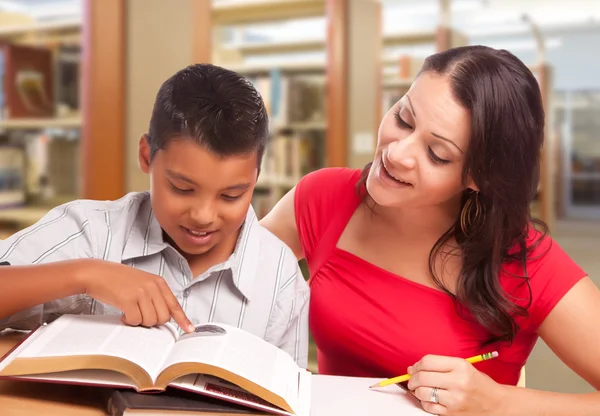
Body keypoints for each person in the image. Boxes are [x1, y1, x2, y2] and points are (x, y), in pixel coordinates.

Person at [260, 45, 600, 414]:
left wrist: (497, 402)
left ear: (478, 177)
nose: (397, 154)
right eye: (404, 119)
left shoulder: (527, 263)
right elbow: (227, 274)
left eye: (437, 154)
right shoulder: (322, 198)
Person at [0, 64, 309, 368]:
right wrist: (85, 275)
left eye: (231, 196)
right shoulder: (90, 231)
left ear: (255, 178)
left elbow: (287, 394)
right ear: (147, 156)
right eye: (182, 189)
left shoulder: (279, 275)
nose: (203, 215)